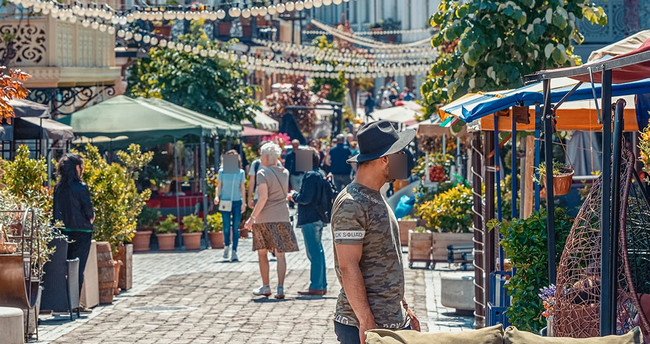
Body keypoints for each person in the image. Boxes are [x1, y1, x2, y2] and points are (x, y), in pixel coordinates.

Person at [330, 120, 420, 344]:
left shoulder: (376, 195)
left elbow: (387, 258)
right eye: (400, 153)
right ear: (385, 159)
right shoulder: (352, 203)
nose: (404, 159)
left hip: (390, 320)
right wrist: (366, 321)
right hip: (363, 326)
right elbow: (347, 266)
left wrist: (404, 307)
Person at [244, 142, 299, 299]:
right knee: (280, 254)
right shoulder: (285, 172)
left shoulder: (262, 173)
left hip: (264, 218)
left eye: (261, 154)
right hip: (282, 216)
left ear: (267, 156)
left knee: (262, 253)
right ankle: (280, 288)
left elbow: (262, 198)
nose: (260, 157)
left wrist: (251, 218)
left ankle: (266, 286)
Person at [53, 153, 95, 295]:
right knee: (78, 268)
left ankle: (65, 302)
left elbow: (55, 211)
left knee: (64, 268)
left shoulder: (58, 188)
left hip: (63, 232)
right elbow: (88, 211)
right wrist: (91, 218)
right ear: (77, 168)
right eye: (81, 166)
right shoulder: (81, 187)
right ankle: (75, 303)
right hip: (82, 232)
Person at [288, 147, 327, 296]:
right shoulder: (319, 173)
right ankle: (321, 284)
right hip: (317, 216)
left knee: (314, 253)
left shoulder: (310, 175)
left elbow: (306, 198)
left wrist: (294, 196)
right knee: (319, 251)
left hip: (310, 217)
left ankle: (316, 286)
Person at [215, 150, 247, 262]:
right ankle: (227, 245)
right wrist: (216, 197)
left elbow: (242, 188)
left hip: (237, 202)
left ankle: (234, 251)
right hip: (225, 201)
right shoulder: (222, 172)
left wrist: (244, 202)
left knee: (236, 227)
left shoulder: (240, 172)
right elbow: (219, 186)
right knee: (226, 226)